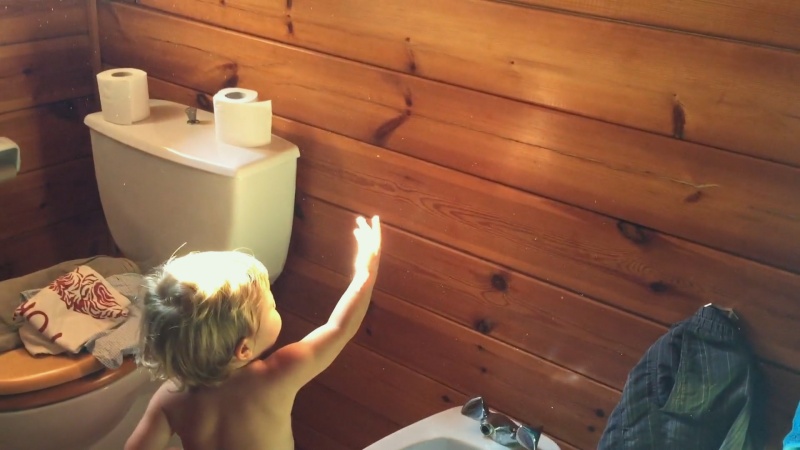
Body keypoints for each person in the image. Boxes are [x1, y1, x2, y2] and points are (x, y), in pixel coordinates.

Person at [124, 215, 381, 450]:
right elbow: (338, 329)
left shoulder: (170, 398)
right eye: (271, 306)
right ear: (244, 348)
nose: (275, 303)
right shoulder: (275, 376)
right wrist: (364, 276)